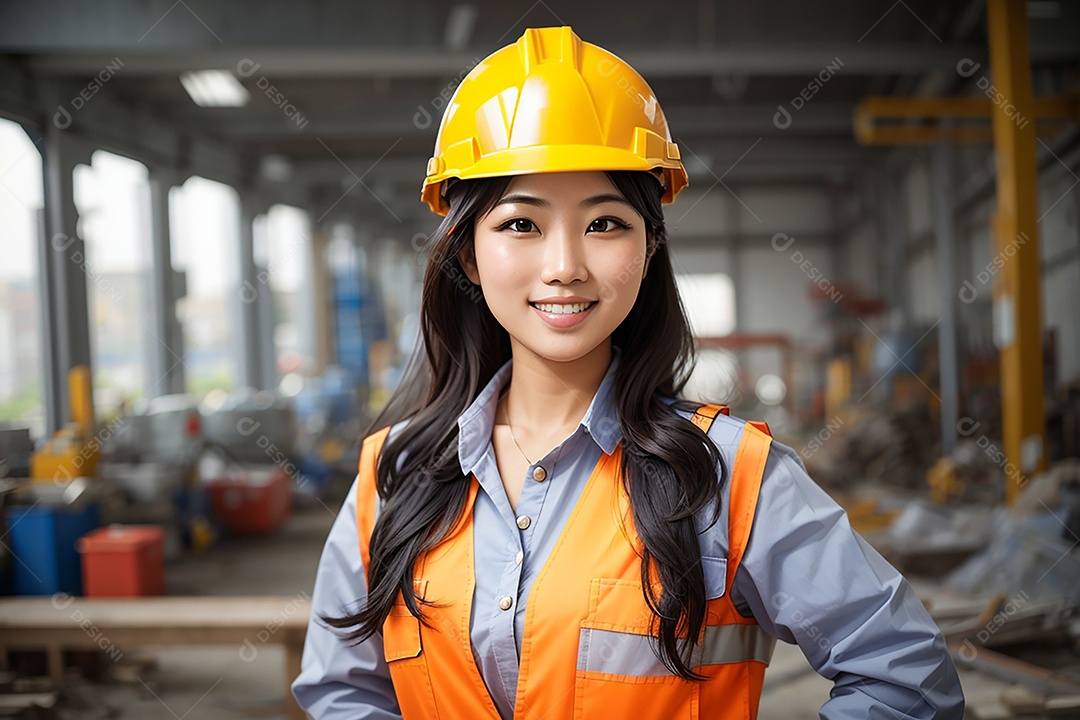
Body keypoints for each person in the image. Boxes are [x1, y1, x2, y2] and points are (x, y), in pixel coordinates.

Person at [292, 25, 964, 720]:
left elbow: (907, 679)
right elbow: (344, 691)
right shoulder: (392, 474)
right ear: (468, 256)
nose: (564, 265)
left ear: (648, 250)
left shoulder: (729, 476)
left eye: (604, 223)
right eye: (521, 224)